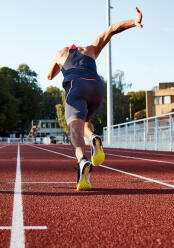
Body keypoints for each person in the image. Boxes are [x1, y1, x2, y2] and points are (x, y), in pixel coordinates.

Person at [47, 7, 143, 191]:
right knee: (85, 121)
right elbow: (111, 30)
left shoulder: (61, 53)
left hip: (76, 87)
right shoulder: (90, 49)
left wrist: (58, 64)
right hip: (96, 87)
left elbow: (50, 76)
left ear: (69, 47)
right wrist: (134, 21)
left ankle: (82, 160)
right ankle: (93, 137)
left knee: (74, 128)